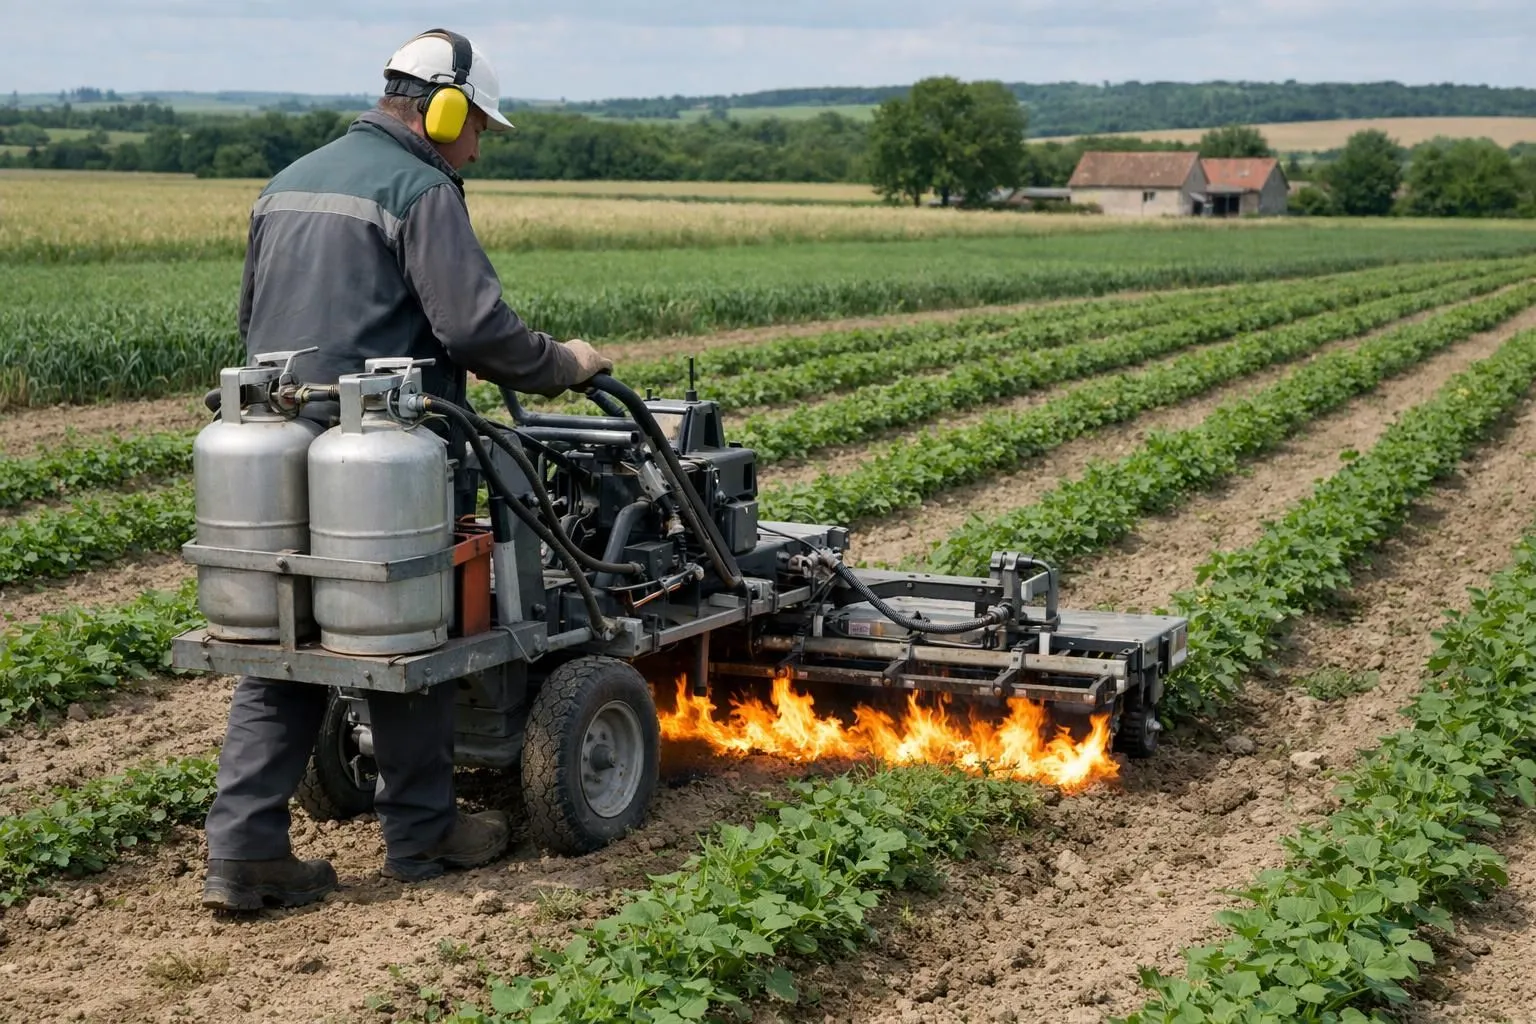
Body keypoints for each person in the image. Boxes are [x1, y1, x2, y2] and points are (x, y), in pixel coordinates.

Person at [202, 28, 614, 912]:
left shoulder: (287, 181)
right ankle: (422, 835)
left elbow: (250, 321)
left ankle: (244, 854)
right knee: (410, 629)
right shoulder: (421, 190)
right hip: (388, 454)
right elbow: (476, 331)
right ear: (442, 107)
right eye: (477, 132)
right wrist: (565, 362)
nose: (477, 150)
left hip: (275, 448)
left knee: (280, 643)